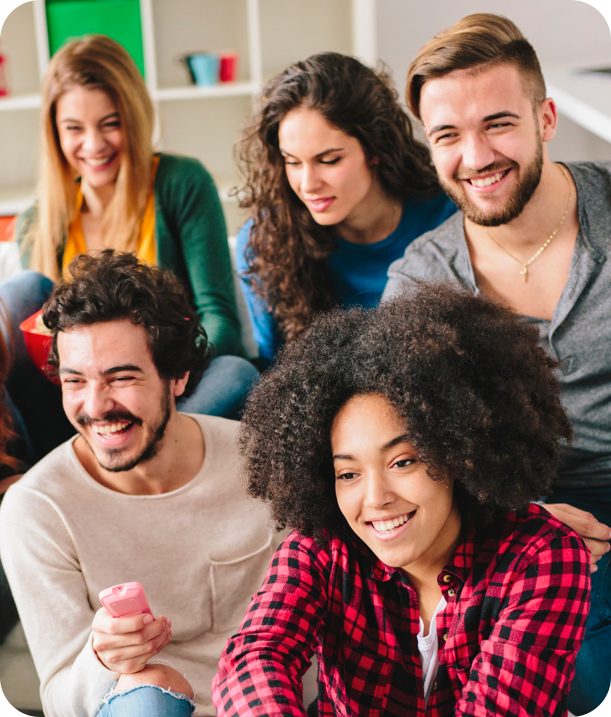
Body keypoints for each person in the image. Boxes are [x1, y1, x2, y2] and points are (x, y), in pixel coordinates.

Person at [212, 283, 590, 717]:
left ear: (458, 450)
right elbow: (255, 656)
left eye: (403, 462)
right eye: (348, 473)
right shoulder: (319, 549)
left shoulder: (543, 556)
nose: (375, 498)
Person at [382, 14, 611, 714]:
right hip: (524, 521)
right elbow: (412, 448)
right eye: (448, 135)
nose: (475, 156)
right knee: (571, 676)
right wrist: (522, 519)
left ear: (545, 118)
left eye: (498, 124)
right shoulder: (421, 283)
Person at [0, 252, 277, 717]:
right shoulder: (36, 509)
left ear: (178, 375)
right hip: (138, 708)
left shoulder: (263, 461)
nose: (96, 405)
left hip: (270, 701)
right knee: (149, 695)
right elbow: (61, 697)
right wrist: (102, 659)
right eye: (75, 381)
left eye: (121, 377)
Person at [8, 34, 256, 439]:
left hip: (169, 394)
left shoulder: (181, 183)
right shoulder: (40, 219)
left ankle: (99, 470)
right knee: (23, 289)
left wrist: (161, 379)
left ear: (134, 118)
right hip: (81, 409)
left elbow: (219, 318)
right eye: (74, 128)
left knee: (235, 374)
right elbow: (43, 354)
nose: (93, 145)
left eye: (110, 123)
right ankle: (80, 462)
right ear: (55, 132)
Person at [235, 52, 456, 366]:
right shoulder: (265, 244)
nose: (307, 184)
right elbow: (277, 368)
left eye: (329, 160)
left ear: (374, 149)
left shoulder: (448, 218)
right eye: (292, 162)